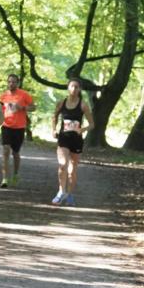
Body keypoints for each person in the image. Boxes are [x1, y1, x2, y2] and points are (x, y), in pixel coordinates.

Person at [51, 78, 95, 207]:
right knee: (62, 164)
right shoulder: (61, 103)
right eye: (72, 86)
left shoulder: (83, 105)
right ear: (68, 87)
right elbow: (54, 116)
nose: (74, 89)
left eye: (77, 87)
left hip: (76, 140)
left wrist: (82, 129)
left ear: (80, 89)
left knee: (72, 170)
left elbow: (92, 124)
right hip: (63, 138)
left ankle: (69, 194)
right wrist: (53, 129)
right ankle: (61, 192)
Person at [0, 73, 35, 188]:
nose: (11, 84)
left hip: (19, 128)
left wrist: (22, 107)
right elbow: (0, 110)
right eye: (9, 82)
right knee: (5, 150)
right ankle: (4, 178)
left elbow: (33, 107)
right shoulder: (3, 96)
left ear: (17, 83)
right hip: (6, 126)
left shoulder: (24, 95)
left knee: (15, 153)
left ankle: (15, 174)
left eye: (13, 82)